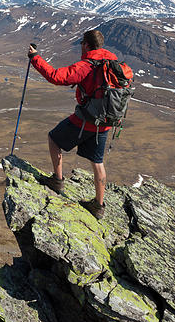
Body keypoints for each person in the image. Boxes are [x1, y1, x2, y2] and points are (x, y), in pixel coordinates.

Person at [27, 29, 127, 219]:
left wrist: (35, 58)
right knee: (97, 162)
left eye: (82, 43)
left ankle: (57, 180)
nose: (81, 46)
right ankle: (98, 206)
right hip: (105, 122)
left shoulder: (88, 65)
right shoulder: (113, 62)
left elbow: (56, 76)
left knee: (54, 138)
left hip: (86, 120)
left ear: (86, 45)